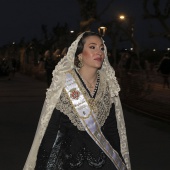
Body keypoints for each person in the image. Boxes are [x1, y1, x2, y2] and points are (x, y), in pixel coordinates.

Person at [23, 31, 131, 170]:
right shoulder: (64, 83)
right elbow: (51, 130)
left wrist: (120, 160)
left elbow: (112, 129)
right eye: (92, 47)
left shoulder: (108, 85)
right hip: (69, 160)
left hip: (103, 158)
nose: (99, 52)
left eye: (102, 48)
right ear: (80, 54)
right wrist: (41, 165)